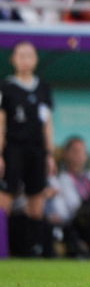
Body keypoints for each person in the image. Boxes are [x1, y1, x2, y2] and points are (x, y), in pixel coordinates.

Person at [0, 41, 55, 257]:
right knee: (6, 196)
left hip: (36, 150)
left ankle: (34, 249)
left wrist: (49, 153)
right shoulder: (6, 87)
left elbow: (48, 124)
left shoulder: (43, 87)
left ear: (36, 60)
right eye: (20, 55)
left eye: (29, 55)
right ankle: (3, 247)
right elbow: (1, 122)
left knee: (37, 198)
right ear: (12, 59)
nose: (24, 60)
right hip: (13, 148)